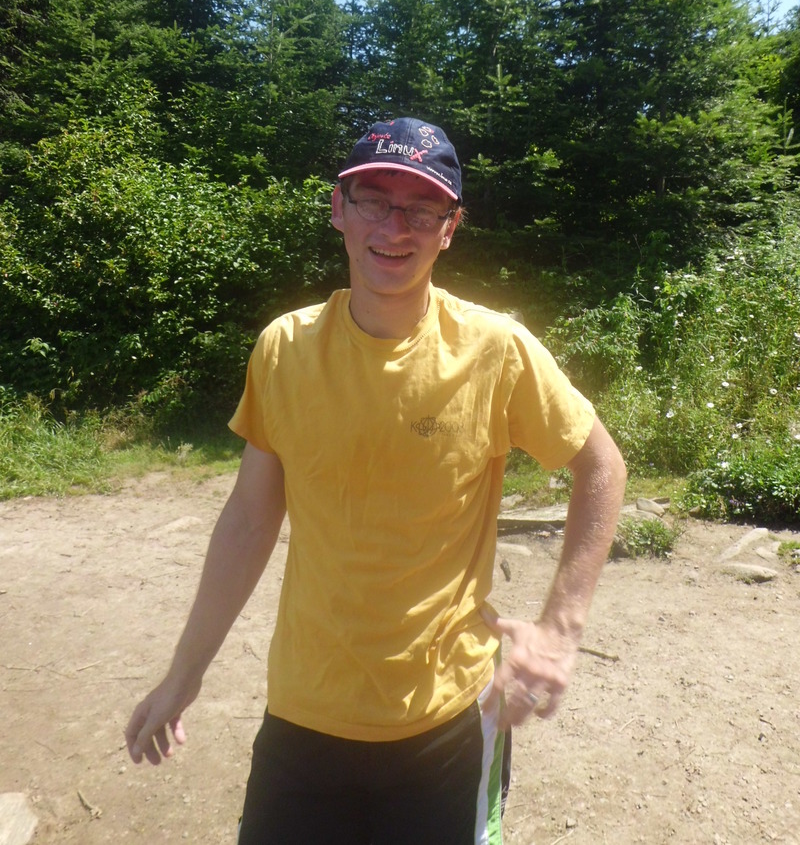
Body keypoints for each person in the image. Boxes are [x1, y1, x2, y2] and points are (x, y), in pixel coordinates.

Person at [125, 117, 627, 844]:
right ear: (338, 208)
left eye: (421, 209)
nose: (395, 227)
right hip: (303, 712)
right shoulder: (284, 348)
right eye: (374, 201)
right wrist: (184, 673)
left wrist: (560, 627)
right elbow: (249, 519)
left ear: (450, 229)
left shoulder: (496, 349)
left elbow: (601, 464)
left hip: (448, 721)